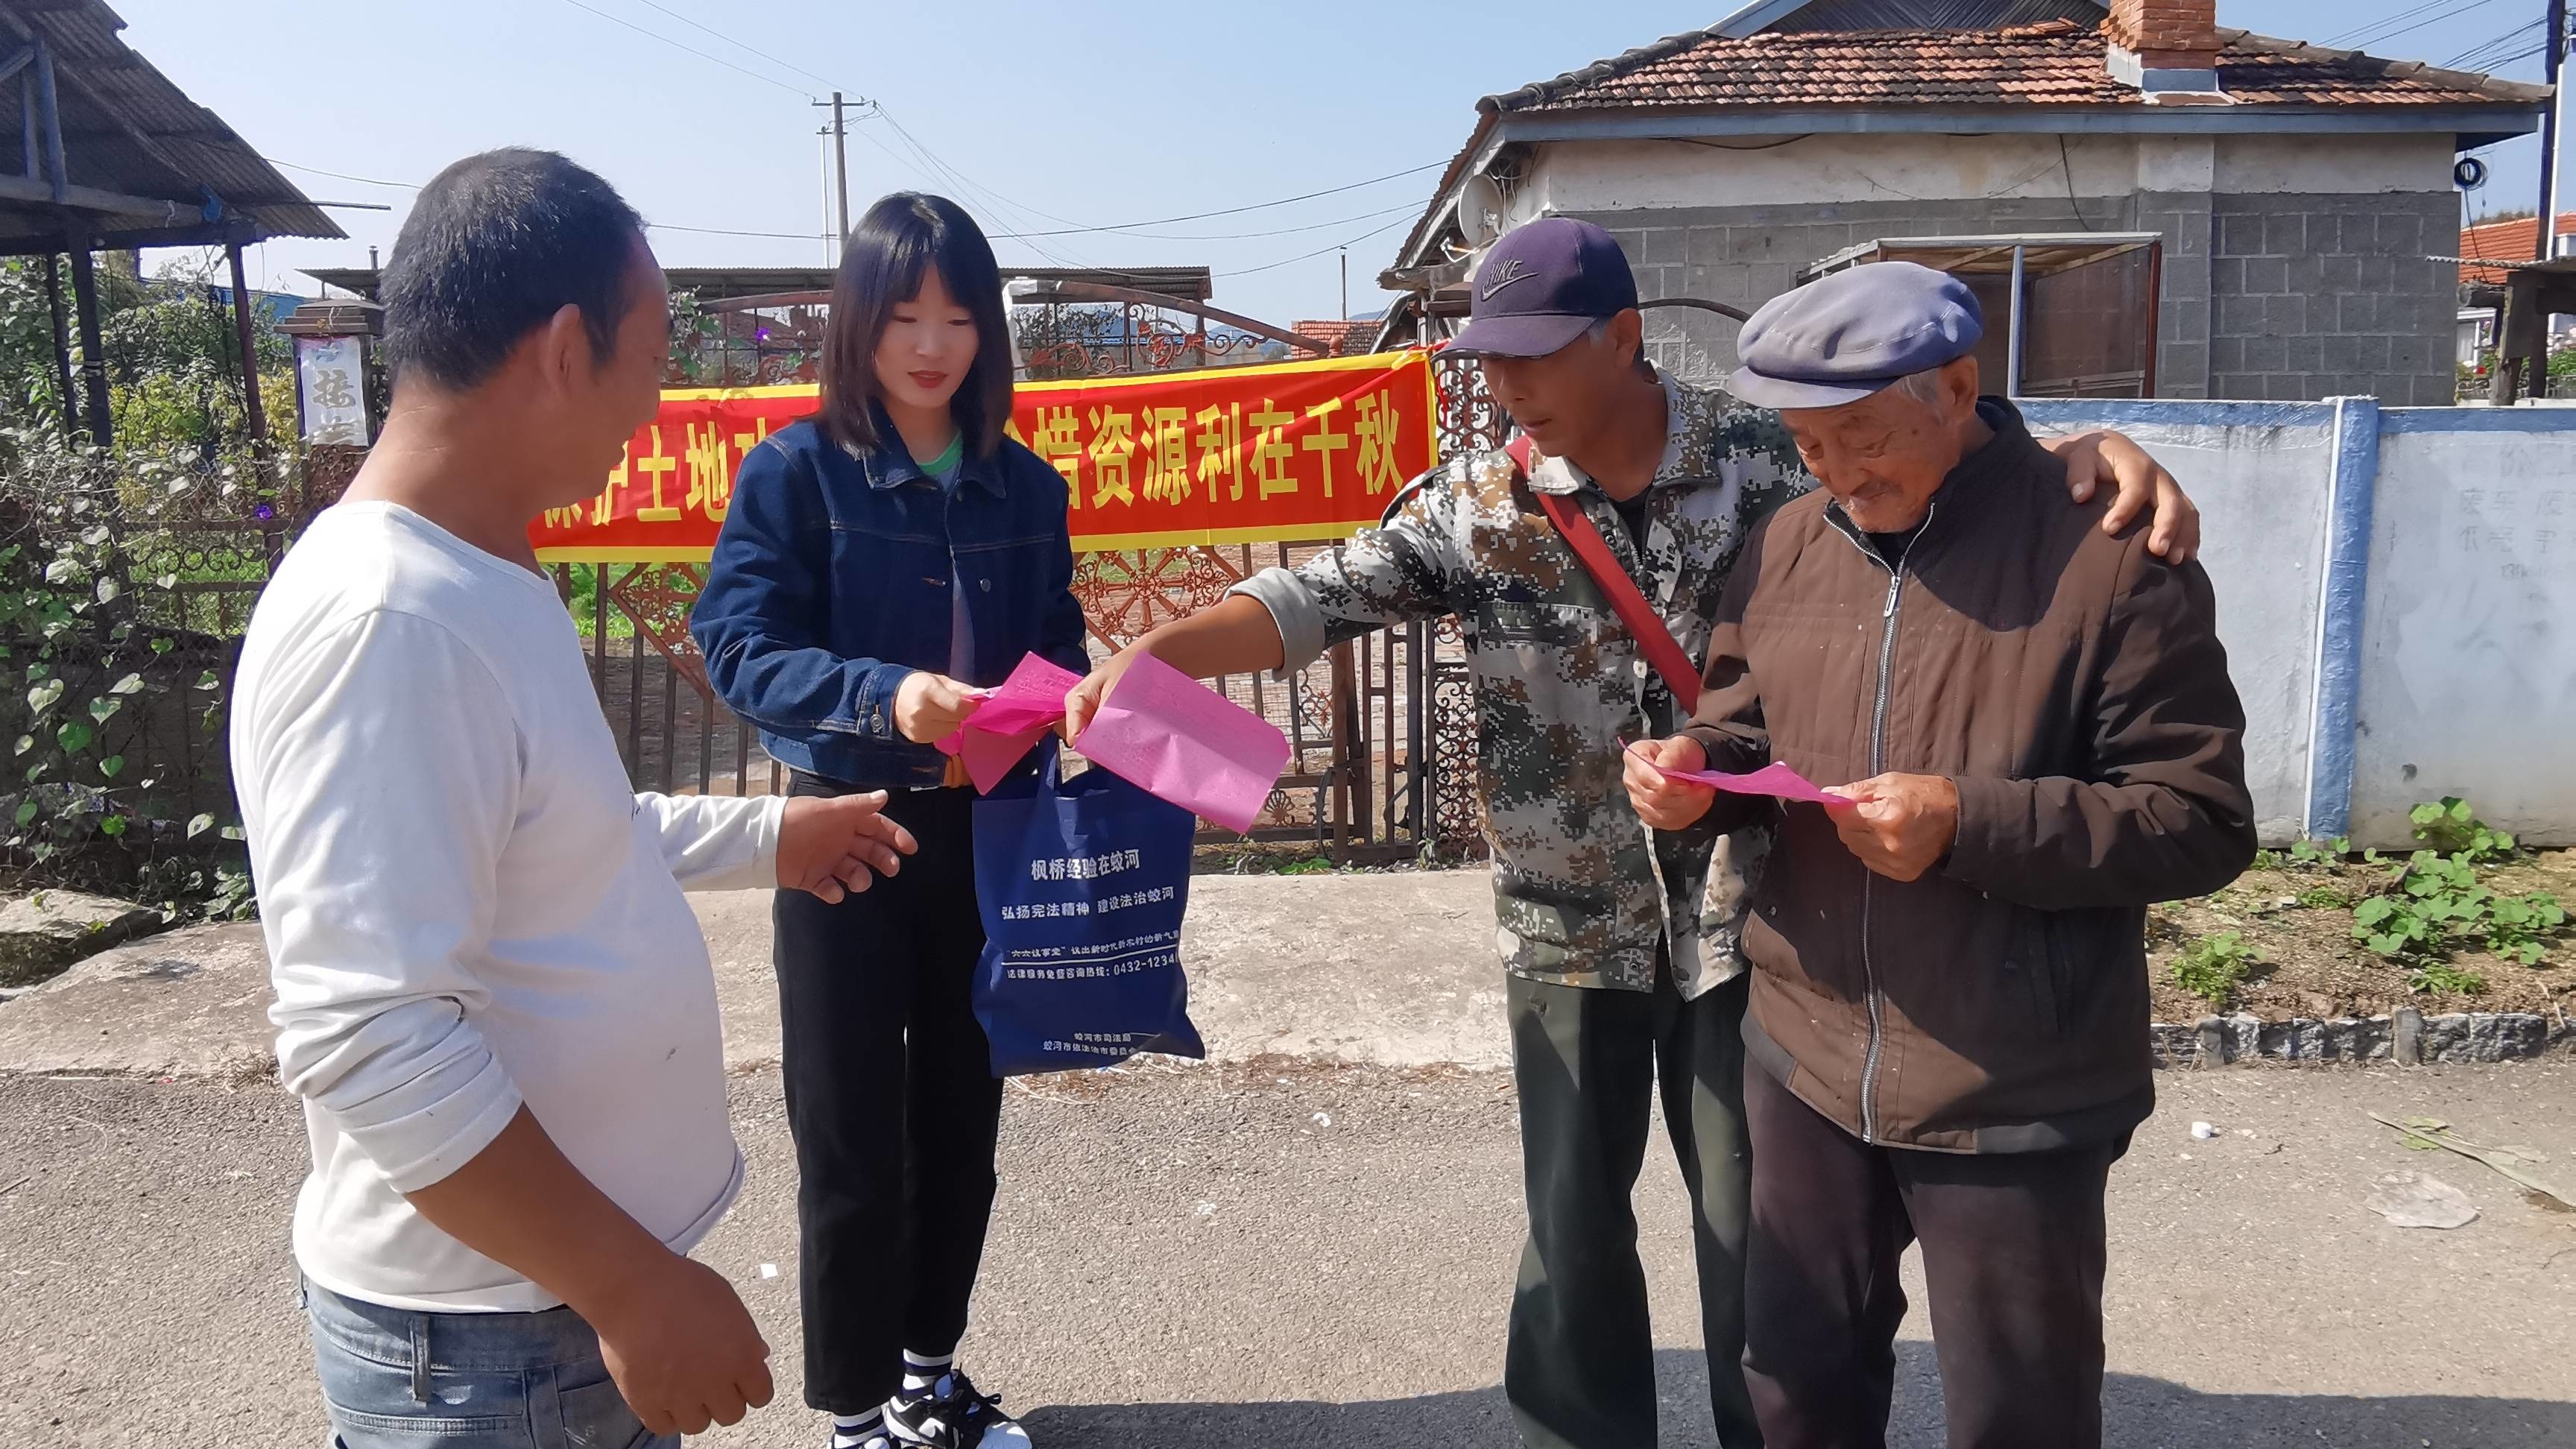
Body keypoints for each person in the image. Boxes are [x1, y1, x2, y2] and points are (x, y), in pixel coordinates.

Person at [1062, 217, 2205, 1449]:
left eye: (1535, 359)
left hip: (1751, 919)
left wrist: (2087, 452)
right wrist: (1159, 648)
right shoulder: (1481, 503)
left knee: (1756, 1232)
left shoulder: (1772, 458)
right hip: (1566, 917)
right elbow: (1315, 596)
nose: (1507, 390)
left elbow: (1930, 462)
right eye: (1487, 364)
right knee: (1572, 1219)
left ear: (1622, 338)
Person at [234, 148, 920, 1449]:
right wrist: (631, 1287)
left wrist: (770, 833)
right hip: (499, 1346)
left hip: (537, 1326)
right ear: (564, 349)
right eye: (652, 360)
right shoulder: (392, 622)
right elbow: (370, 1035)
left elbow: (563, 839)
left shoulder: (486, 577)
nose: (655, 408)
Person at [1628, 260, 2256, 1449]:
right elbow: (1740, 720)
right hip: (1806, 1050)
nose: (1836, 477)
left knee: (2019, 1411)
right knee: (1794, 1389)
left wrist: (1970, 823)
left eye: (1860, 440)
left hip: (2012, 1080)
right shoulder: (1787, 543)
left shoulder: (2109, 553)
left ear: (1958, 387)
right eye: (1808, 447)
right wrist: (1691, 782)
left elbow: (2201, 815)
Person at [691, 192, 1085, 1449]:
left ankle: (928, 1377)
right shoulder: (797, 471)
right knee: (850, 1132)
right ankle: (858, 1415)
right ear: (858, 323)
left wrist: (1079, 704)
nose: (931, 343)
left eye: (959, 317)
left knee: (962, 1125)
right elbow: (736, 643)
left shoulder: (1026, 484)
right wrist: (886, 694)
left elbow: (1057, 642)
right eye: (904, 313)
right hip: (844, 833)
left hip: (986, 837)